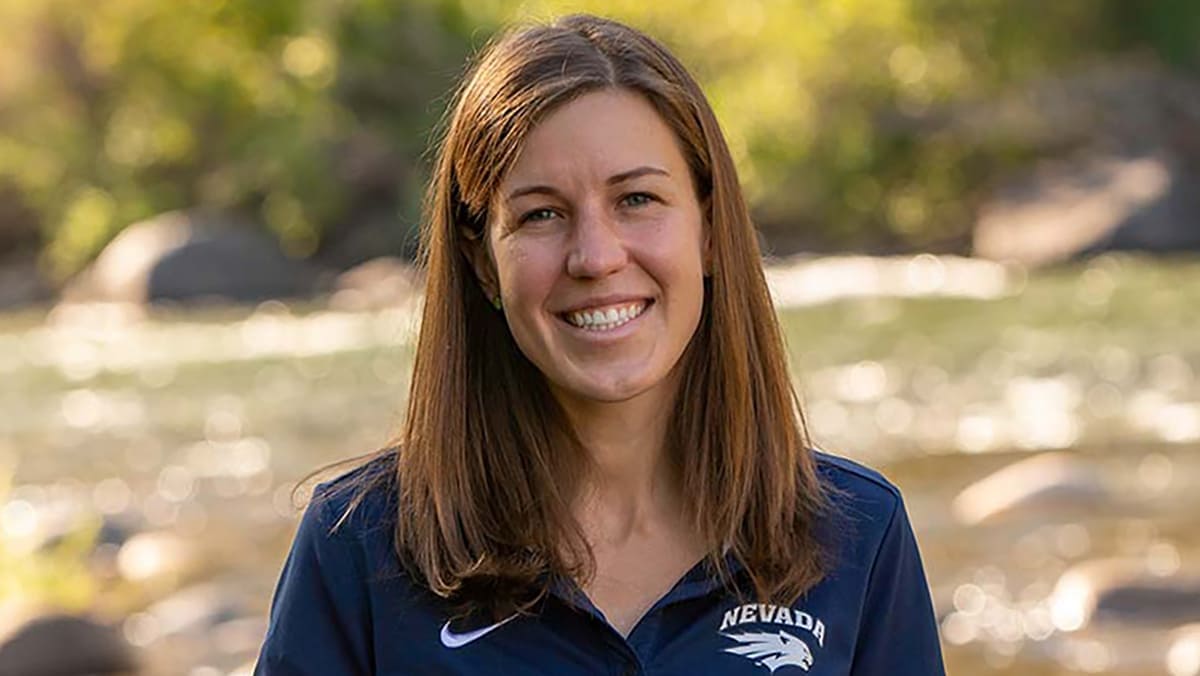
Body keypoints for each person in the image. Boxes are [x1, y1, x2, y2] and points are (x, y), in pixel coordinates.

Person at [256, 13, 945, 675]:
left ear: (709, 228)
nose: (595, 256)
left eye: (637, 200)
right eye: (542, 214)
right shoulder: (358, 547)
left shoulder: (857, 536)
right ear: (480, 261)